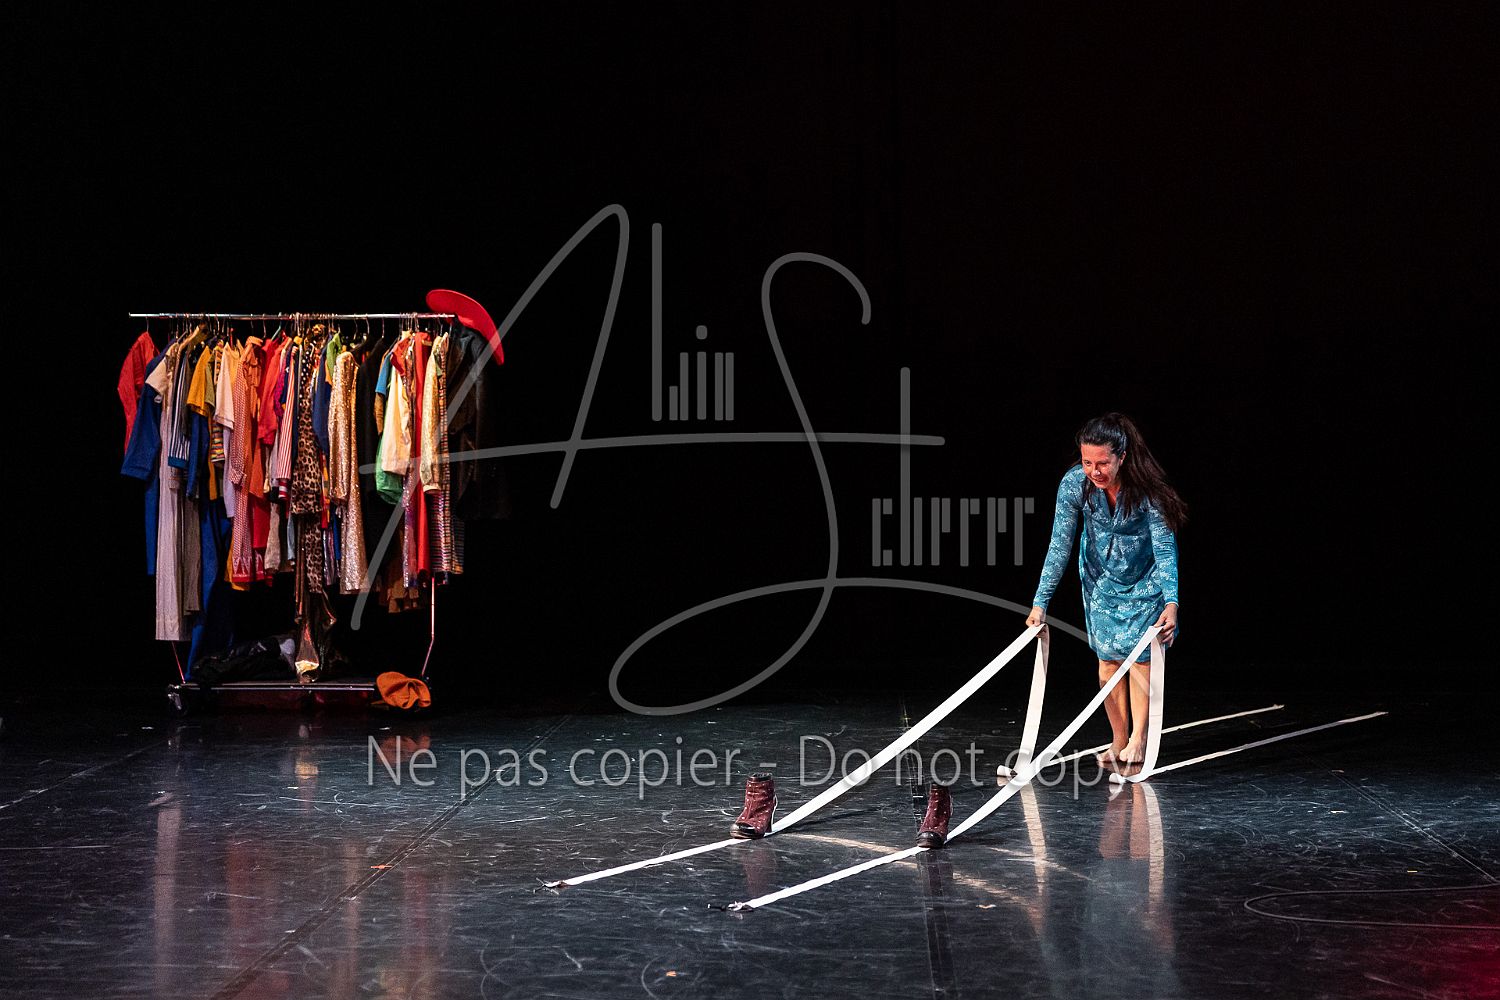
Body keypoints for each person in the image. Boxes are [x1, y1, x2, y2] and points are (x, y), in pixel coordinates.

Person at [1027, 413, 1185, 765]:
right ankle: (1118, 738)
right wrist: (1040, 602)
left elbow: (1164, 547)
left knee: (1141, 659)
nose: (1094, 471)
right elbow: (1059, 545)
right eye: (1087, 462)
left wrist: (1171, 601)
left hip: (1146, 580)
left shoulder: (1146, 490)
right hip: (1100, 580)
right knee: (1108, 661)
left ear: (1121, 457)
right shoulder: (1074, 485)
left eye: (1102, 463)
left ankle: (1138, 739)